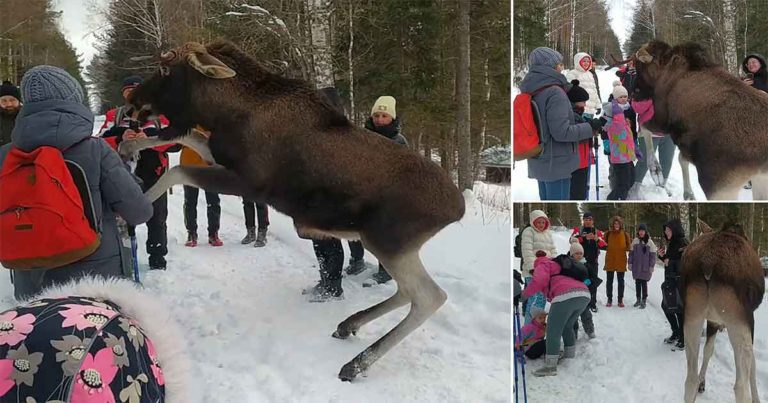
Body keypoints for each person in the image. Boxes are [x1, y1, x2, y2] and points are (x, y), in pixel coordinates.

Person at [0, 66, 152, 300]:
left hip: (30, 281)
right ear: (73, 101)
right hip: (95, 282)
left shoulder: (5, 156)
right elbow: (139, 211)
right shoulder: (95, 150)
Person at [98, 76, 180, 270]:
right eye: (129, 92)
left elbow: (176, 143)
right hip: (121, 175)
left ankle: (158, 259)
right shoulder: (114, 116)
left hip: (155, 175)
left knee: (157, 218)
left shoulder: (160, 117)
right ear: (124, 95)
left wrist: (149, 139)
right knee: (123, 218)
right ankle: (126, 258)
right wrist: (120, 138)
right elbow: (98, 143)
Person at [519, 47, 602, 200]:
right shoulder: (554, 92)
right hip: (557, 163)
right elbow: (562, 132)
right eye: (558, 63)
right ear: (550, 65)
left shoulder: (532, 89)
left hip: (540, 159)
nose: (561, 67)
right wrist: (590, 127)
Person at [362, 95, 407, 286]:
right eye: (377, 115)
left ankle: (386, 271)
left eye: (384, 116)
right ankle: (356, 260)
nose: (380, 119)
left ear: (392, 118)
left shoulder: (399, 141)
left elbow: (405, 170)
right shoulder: (362, 136)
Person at [523, 253, 591, 377]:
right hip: (584, 294)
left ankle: (550, 366)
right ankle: (569, 356)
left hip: (565, 295)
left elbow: (539, 280)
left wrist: (524, 295)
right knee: (567, 326)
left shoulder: (543, 264)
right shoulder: (561, 266)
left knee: (552, 330)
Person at [180, 136, 223, 247]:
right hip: (189, 164)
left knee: (213, 201)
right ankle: (191, 233)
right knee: (190, 201)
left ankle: (213, 233)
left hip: (210, 166)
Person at [520, 210, 557, 324]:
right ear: (533, 222)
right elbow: (526, 251)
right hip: (532, 272)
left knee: (541, 300)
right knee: (535, 298)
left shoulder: (548, 233)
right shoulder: (529, 231)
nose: (541, 224)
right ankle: (528, 327)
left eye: (543, 222)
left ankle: (537, 327)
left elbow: (553, 250)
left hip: (546, 272)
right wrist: (532, 268)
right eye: (539, 222)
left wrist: (554, 266)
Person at [601, 82, 636, 200]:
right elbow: (604, 127)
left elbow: (632, 128)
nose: (623, 99)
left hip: (628, 149)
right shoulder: (611, 109)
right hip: (617, 149)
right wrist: (606, 142)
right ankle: (615, 196)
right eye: (621, 97)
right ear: (615, 97)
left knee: (631, 178)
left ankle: (620, 192)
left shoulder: (629, 109)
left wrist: (634, 142)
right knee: (622, 180)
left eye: (625, 96)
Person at [658, 219, 688, 351]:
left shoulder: (683, 243)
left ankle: (683, 337)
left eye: (668, 230)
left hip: (680, 283)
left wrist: (669, 262)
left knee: (679, 310)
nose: (666, 232)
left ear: (674, 230)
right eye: (665, 230)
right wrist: (662, 257)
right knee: (666, 306)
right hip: (670, 282)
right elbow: (669, 262)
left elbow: (685, 263)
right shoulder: (672, 243)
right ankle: (676, 332)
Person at [632, 98, 676, 188]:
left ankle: (661, 186)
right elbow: (637, 107)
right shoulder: (644, 87)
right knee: (643, 162)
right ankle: (634, 187)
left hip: (669, 131)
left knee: (667, 161)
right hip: (648, 131)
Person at [569, 211, 606, 312]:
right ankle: (580, 303)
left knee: (592, 282)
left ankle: (592, 303)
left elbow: (604, 245)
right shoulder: (578, 230)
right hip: (580, 262)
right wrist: (584, 238)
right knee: (580, 281)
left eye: (590, 220)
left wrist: (596, 239)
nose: (588, 222)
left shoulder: (597, 231)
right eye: (586, 219)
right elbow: (572, 240)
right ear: (583, 220)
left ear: (592, 221)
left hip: (593, 262)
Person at [566, 80, 595, 200]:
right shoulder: (571, 115)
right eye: (582, 102)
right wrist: (590, 127)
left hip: (582, 161)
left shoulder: (578, 115)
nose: (584, 105)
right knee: (576, 193)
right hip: (576, 163)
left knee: (581, 191)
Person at [569, 243, 595, 339]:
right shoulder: (568, 265)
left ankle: (590, 330)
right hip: (572, 295)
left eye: (581, 253)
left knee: (586, 314)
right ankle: (573, 333)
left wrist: (590, 281)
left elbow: (594, 277)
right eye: (577, 253)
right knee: (572, 316)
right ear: (572, 254)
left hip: (584, 295)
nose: (579, 255)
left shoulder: (587, 265)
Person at [604, 215, 631, 307]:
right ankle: (609, 299)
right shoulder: (608, 233)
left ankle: (620, 300)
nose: (616, 225)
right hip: (610, 260)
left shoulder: (625, 234)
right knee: (609, 281)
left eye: (618, 223)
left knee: (621, 282)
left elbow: (628, 246)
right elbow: (604, 244)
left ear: (620, 224)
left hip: (621, 261)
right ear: (612, 224)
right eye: (615, 223)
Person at [628, 223, 657, 309]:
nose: (641, 232)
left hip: (645, 267)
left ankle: (644, 300)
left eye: (643, 231)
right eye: (640, 231)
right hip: (636, 267)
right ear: (638, 231)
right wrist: (630, 263)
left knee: (644, 283)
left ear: (645, 232)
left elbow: (653, 256)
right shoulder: (635, 241)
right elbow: (631, 254)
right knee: (637, 283)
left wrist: (651, 266)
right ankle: (638, 299)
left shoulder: (650, 242)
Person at [0, 80, 21, 146]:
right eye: (4, 101)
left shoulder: (27, 118)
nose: (9, 104)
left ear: (19, 101)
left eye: (12, 100)